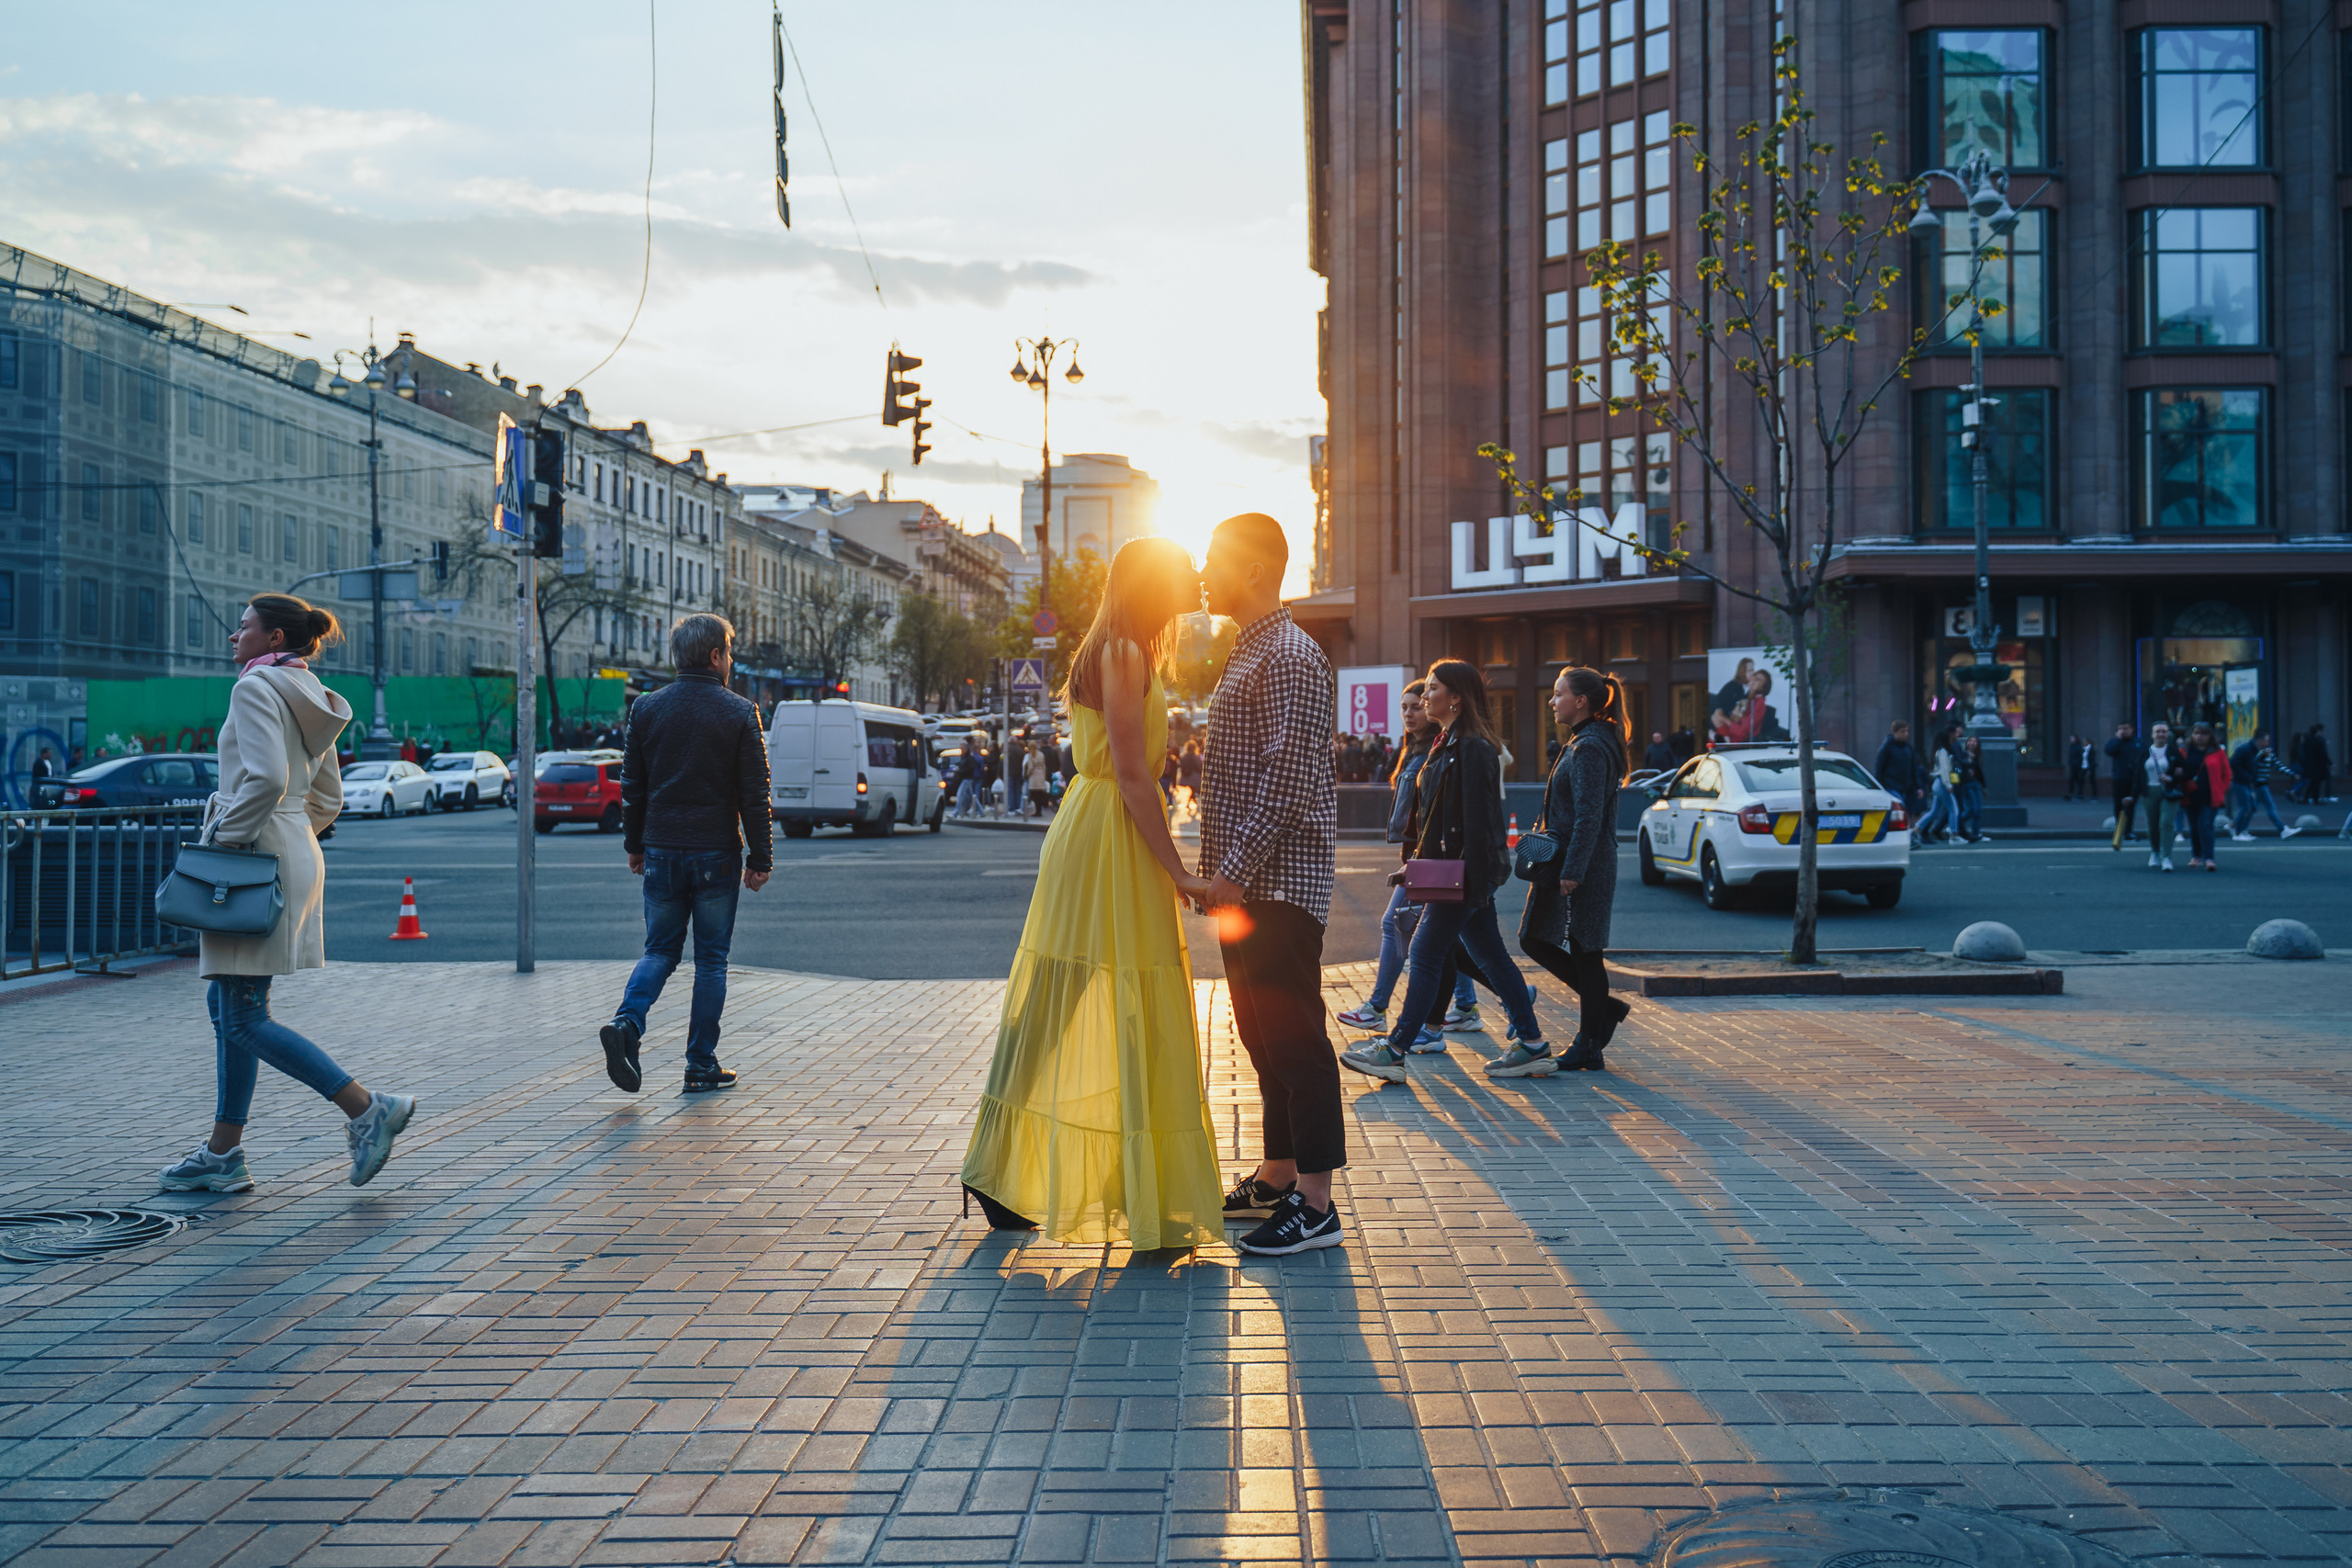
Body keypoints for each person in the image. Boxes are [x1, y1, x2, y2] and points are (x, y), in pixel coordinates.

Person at [960, 538, 1222, 1249]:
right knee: (1111, 998)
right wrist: (1182, 871)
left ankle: (1019, 1171)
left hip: (1098, 825)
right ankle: (1032, 1171)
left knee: (1066, 999)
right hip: (1110, 829)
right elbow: (1134, 775)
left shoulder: (1112, 645)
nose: (1190, 583)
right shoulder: (1125, 653)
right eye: (1179, 575)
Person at [159, 594, 416, 1195]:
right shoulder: (310, 695)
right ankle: (223, 1151)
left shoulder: (254, 690)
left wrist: (227, 837)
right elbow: (326, 794)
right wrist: (293, 829)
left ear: (274, 637)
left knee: (243, 1015)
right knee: (230, 1008)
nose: (233, 636)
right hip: (293, 849)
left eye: (243, 626)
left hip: (251, 857)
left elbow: (267, 778)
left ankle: (367, 1107)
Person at [1197, 513, 1345, 1258]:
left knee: (1296, 1039)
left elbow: (1286, 783)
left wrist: (1227, 871)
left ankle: (1316, 1204)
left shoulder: (1287, 654)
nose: (1202, 569)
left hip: (1275, 885)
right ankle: (1279, 1173)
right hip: (1245, 888)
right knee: (1261, 1036)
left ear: (1255, 569)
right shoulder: (1248, 650)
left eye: (1215, 557)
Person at [1342, 658, 1555, 1086]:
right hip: (1453, 874)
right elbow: (1436, 818)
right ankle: (1532, 1044)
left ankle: (1396, 1048)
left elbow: (1481, 824)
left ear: (1456, 697)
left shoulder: (1474, 749)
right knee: (1491, 957)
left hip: (1462, 877)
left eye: (1434, 688)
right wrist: (1414, 868)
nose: (1425, 695)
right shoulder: (1447, 743)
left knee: (1424, 953)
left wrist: (1472, 883)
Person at [596, 615, 774, 1096]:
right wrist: (761, 857)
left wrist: (635, 845)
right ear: (716, 656)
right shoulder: (739, 712)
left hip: (661, 851)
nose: (730, 661)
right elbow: (754, 793)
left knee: (659, 950)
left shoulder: (647, 709)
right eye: (729, 653)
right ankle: (700, 1065)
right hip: (716, 852)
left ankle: (628, 1024)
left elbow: (632, 785)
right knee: (711, 961)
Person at [1334, 680, 1472, 1050]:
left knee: (1401, 928)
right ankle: (1480, 1004)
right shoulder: (1416, 750)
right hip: (1417, 856)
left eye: (1417, 705)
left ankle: (1383, 1009)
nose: (1411, 712)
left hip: (1426, 859)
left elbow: (1436, 812)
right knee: (1449, 939)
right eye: (1406, 707)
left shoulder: (1439, 750)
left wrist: (1418, 859)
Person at [1519, 666, 1632, 1072]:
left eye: (1558, 694)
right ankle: (1606, 1009)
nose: (1552, 702)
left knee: (1586, 951)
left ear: (1580, 701)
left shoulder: (1590, 748)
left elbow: (1589, 817)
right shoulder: (1583, 742)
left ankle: (1589, 1044)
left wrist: (1573, 871)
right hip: (1567, 861)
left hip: (1581, 865)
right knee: (1535, 938)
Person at [2137, 721, 2189, 873]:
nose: (2161, 734)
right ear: (2152, 734)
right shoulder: (2145, 752)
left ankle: (2166, 857)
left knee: (2166, 823)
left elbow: (2186, 772)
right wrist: (2132, 795)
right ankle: (2155, 853)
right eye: (2158, 731)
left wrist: (2172, 778)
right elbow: (2137, 775)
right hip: (2149, 792)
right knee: (2152, 825)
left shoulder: (2174, 751)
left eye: (2164, 732)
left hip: (2169, 792)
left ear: (2168, 735)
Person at [2181, 722, 2230, 872]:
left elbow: (2226, 773)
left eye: (2203, 734)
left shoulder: (2217, 752)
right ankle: (2196, 855)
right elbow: (2178, 769)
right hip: (2190, 795)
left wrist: (2221, 790)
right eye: (2196, 733)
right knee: (2194, 827)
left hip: (2210, 795)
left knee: (2206, 826)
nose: (2199, 737)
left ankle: (2209, 858)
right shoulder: (2185, 751)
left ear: (2210, 736)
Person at [2231, 732, 2295, 840]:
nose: (2267, 742)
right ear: (2259, 740)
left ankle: (2236, 827)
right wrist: (2247, 776)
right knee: (2248, 807)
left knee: (2251, 807)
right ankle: (2238, 832)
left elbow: (2275, 764)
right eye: (2266, 740)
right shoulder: (2247, 749)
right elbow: (2235, 763)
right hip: (2246, 782)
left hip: (2250, 783)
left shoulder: (2260, 751)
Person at [1872, 721, 1923, 822]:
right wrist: (1881, 785)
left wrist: (1917, 787)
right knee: (1900, 810)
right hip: (1891, 786)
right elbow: (1879, 768)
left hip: (1906, 787)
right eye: (1902, 731)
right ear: (1894, 732)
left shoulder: (1908, 748)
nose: (1905, 734)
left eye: (1906, 731)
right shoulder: (1887, 748)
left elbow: (1913, 768)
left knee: (1907, 811)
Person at [1915, 727, 1959, 845]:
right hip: (1943, 783)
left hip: (1937, 783)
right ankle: (1954, 835)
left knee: (1934, 811)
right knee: (1954, 809)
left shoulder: (1938, 751)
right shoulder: (1944, 752)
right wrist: (1948, 784)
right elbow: (1945, 770)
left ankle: (1916, 829)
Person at [2104, 722, 2142, 849]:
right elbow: (2108, 751)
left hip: (2133, 778)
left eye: (2126, 729)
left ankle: (2128, 831)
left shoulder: (2137, 743)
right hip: (2119, 778)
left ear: (2132, 729)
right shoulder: (2115, 742)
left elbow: (2143, 755)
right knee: (2118, 805)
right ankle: (2119, 830)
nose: (2124, 731)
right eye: (2121, 729)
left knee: (2131, 805)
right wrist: (2118, 739)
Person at [1951, 735, 1986, 842]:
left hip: (1976, 784)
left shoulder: (1978, 756)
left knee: (1978, 810)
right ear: (1967, 743)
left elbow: (1980, 772)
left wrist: (1984, 786)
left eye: (1975, 741)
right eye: (1970, 741)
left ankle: (1976, 833)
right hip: (1967, 784)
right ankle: (1957, 824)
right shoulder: (1964, 755)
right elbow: (1960, 766)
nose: (1972, 743)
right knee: (1972, 808)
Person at [2301, 723, 2334, 804]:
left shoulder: (2308, 740)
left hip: (2310, 764)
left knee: (2313, 782)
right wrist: (2330, 763)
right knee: (2316, 782)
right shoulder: (2319, 740)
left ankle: (2307, 797)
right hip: (2319, 765)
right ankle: (2314, 798)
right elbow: (2322, 753)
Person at [1024, 732, 1052, 818]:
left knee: (1034, 796)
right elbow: (1044, 766)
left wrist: (1027, 774)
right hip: (1040, 776)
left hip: (1034, 777)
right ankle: (1040, 810)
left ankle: (1037, 811)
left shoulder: (1031, 755)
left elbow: (1031, 767)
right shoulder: (1041, 754)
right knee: (1040, 794)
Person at [2063, 734, 2088, 801]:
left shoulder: (2078, 747)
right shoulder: (2072, 747)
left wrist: (2076, 763)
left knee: (2079, 781)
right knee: (2072, 780)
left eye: (2072, 739)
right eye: (2071, 739)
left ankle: (2079, 794)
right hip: (2073, 766)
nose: (2071, 740)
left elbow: (2080, 757)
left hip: (2078, 767)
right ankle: (2071, 793)